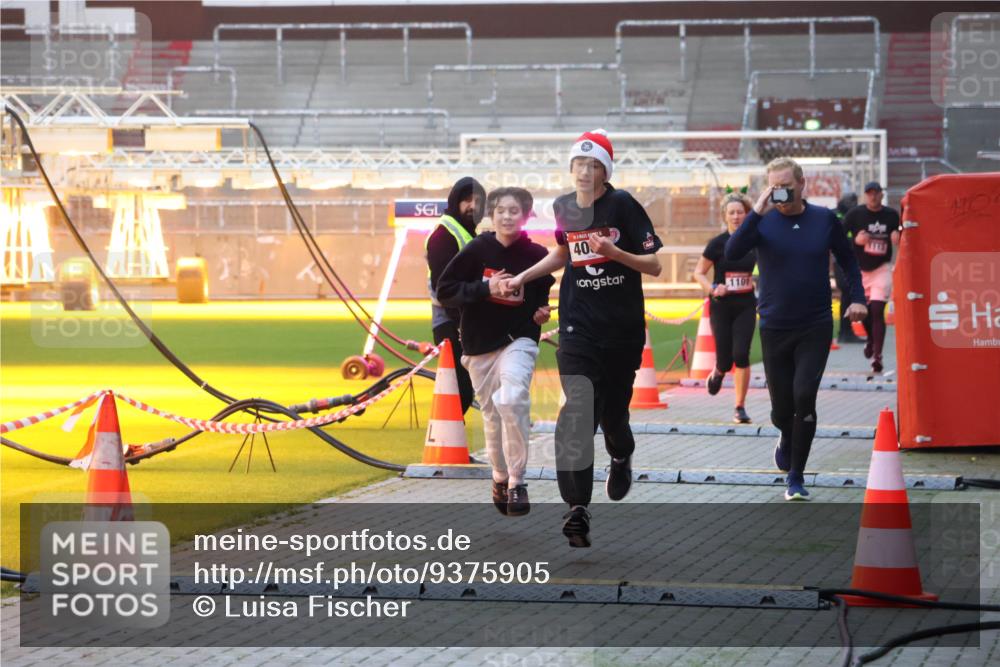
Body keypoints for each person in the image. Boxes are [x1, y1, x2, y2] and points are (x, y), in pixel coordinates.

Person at [503, 129, 663, 546]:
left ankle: (621, 454)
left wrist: (615, 255)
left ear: (605, 170)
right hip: (577, 327)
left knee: (613, 418)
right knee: (577, 411)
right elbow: (563, 252)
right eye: (579, 164)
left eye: (593, 165)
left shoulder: (623, 204)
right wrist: (522, 276)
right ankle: (576, 508)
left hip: (622, 330)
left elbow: (654, 265)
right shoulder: (562, 207)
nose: (584, 172)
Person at [725, 157, 867, 501]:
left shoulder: (824, 219)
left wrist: (857, 298)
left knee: (804, 396)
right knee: (779, 410)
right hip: (774, 325)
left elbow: (847, 260)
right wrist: (757, 211)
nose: (782, 192)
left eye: (787, 184)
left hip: (815, 324)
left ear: (802, 184)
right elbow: (731, 252)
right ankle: (786, 436)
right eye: (775, 186)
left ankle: (796, 476)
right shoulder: (762, 221)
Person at [436, 187, 554, 516]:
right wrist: (487, 287)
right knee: (492, 417)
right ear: (491, 214)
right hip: (478, 344)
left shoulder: (536, 254)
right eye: (500, 210)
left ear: (527, 216)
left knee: (513, 397)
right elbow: (446, 290)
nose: (506, 216)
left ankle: (518, 482)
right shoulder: (477, 250)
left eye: (513, 211)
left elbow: (542, 291)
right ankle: (499, 476)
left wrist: (541, 310)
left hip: (519, 339)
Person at [693, 192, 757, 424]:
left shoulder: (754, 241)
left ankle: (739, 407)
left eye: (740, 212)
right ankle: (718, 371)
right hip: (721, 306)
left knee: (741, 354)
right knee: (724, 359)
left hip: (746, 305)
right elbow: (698, 272)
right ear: (725, 216)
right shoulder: (718, 243)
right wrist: (712, 288)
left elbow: (765, 268)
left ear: (747, 214)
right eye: (732, 212)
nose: (736, 216)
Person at [426, 177, 485, 416]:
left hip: (464, 322)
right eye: (467, 200)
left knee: (462, 390)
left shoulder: (466, 232)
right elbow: (443, 287)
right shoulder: (444, 235)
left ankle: (452, 450)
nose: (472, 206)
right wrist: (461, 323)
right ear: (455, 201)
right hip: (451, 323)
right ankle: (445, 449)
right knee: (458, 391)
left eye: (478, 201)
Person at [842, 182, 901, 374]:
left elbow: (904, 233)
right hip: (859, 270)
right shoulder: (855, 214)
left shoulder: (891, 215)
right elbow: (838, 238)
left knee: (877, 310)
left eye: (876, 194)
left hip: (881, 268)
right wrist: (855, 241)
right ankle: (870, 339)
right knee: (863, 312)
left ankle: (877, 357)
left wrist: (898, 236)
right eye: (869, 194)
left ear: (882, 195)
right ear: (865, 196)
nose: (873, 197)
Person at [833, 192, 865, 345]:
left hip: (847, 260)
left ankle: (846, 331)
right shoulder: (837, 217)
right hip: (840, 261)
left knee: (847, 295)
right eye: (852, 202)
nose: (854, 205)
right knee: (846, 293)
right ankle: (845, 332)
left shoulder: (849, 216)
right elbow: (838, 239)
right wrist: (855, 240)